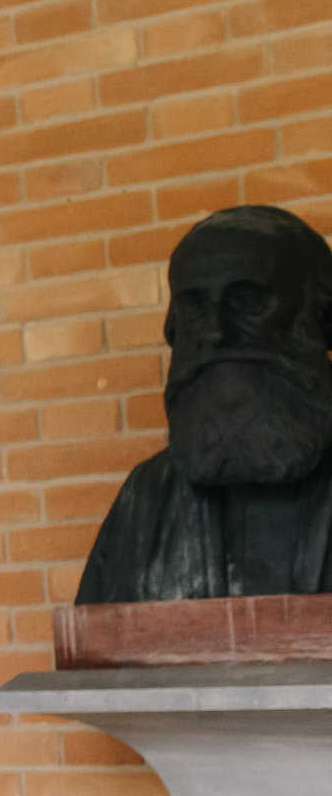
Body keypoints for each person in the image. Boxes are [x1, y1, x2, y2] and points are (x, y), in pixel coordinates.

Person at [77, 205, 332, 602]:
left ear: (319, 315)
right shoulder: (143, 501)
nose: (216, 331)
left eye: (248, 301)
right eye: (195, 307)